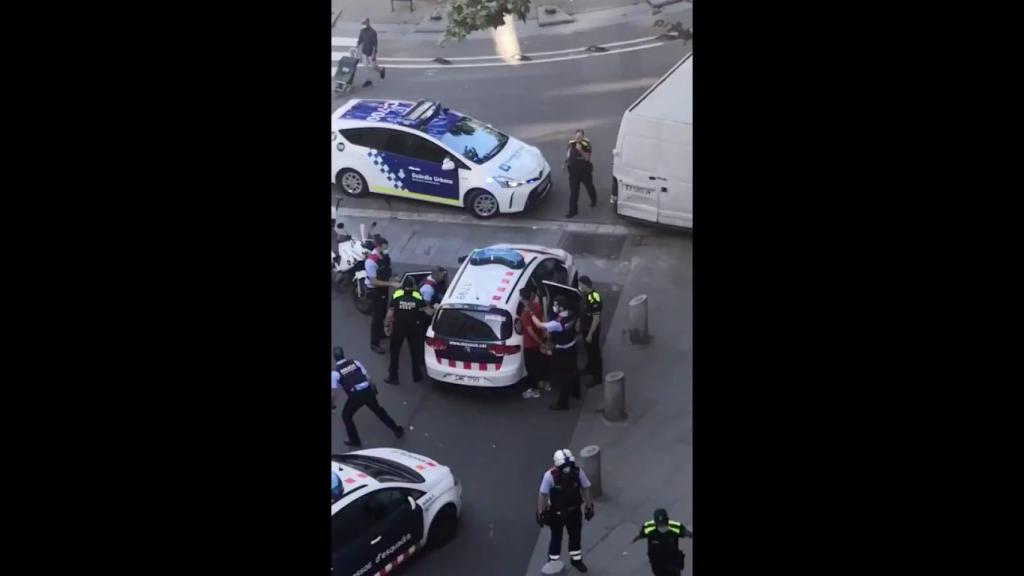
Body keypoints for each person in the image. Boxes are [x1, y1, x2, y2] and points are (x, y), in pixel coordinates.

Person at [332, 347, 404, 448]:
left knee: (346, 416)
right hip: (367, 390)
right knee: (378, 410)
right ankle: (396, 429)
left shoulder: (335, 373)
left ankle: (354, 440)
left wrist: (333, 405)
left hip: (355, 396)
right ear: (343, 354)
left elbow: (333, 393)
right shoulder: (355, 362)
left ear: (334, 358)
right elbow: (368, 377)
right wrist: (373, 389)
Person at [537, 449, 593, 573]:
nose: (567, 469)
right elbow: (543, 494)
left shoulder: (578, 472)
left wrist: (589, 506)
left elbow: (586, 488)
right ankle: (553, 562)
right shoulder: (550, 476)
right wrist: (540, 512)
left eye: (569, 466)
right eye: (564, 467)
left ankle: (576, 560)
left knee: (575, 536)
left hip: (574, 511)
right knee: (556, 537)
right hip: (556, 513)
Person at [527, 295, 580, 411]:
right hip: (573, 346)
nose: (553, 307)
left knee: (563, 377)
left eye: (556, 305)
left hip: (563, 350)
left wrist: (531, 313)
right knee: (574, 370)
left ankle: (562, 404)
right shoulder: (571, 314)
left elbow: (539, 325)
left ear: (561, 308)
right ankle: (576, 392)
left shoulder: (557, 323)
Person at [384, 276, 433, 385]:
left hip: (398, 328)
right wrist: (435, 308)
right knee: (415, 352)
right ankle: (417, 376)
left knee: (394, 353)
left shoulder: (397, 293)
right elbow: (428, 312)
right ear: (413, 286)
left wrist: (387, 326)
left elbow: (390, 312)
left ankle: (393, 377)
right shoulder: (417, 295)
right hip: (414, 328)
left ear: (403, 285)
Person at [364, 236, 401, 354]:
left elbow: (388, 268)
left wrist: (394, 276)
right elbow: (373, 281)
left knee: (383, 312)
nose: (386, 250)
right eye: (385, 248)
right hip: (375, 291)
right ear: (378, 246)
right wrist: (391, 284)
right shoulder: (371, 261)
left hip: (383, 288)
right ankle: (374, 343)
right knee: (377, 317)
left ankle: (381, 333)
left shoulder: (384, 256)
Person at [631, 508, 693, 575]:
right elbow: (640, 535)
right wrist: (634, 539)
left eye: (664, 524)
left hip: (672, 563)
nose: (662, 527)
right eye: (659, 524)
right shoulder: (648, 528)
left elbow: (688, 533)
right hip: (657, 564)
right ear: (655, 523)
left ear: (667, 520)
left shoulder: (675, 527)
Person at [519, 286, 550, 399]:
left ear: (523, 298)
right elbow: (541, 321)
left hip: (530, 345)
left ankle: (534, 390)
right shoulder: (537, 306)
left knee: (531, 368)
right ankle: (545, 383)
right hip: (539, 341)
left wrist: (539, 342)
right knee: (542, 363)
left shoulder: (525, 314)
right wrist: (542, 339)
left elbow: (530, 332)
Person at [564, 129, 596, 219]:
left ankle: (593, 200)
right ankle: (572, 211)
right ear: (574, 136)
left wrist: (580, 150)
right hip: (574, 173)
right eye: (576, 136)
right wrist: (565, 163)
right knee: (574, 193)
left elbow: (587, 158)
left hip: (584, 172)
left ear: (583, 137)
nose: (578, 138)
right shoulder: (571, 144)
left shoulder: (586, 145)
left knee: (589, 187)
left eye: (580, 137)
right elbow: (568, 156)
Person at [577, 276, 603, 385]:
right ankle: (589, 368)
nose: (579, 286)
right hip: (585, 327)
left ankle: (597, 377)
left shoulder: (595, 297)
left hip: (592, 330)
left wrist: (590, 334)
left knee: (595, 352)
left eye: (580, 284)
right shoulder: (584, 295)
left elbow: (596, 318)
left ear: (584, 284)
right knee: (588, 350)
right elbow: (582, 311)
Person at [418, 266, 447, 339]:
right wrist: (434, 308)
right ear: (436, 275)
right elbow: (426, 309)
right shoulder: (429, 289)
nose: (444, 278)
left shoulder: (428, 278)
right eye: (442, 276)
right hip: (422, 317)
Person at [356, 18, 386, 88]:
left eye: (364, 24)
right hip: (364, 52)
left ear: (368, 23)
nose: (362, 25)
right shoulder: (362, 31)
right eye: (362, 24)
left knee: (374, 67)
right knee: (366, 67)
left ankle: (381, 69)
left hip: (371, 53)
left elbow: (375, 45)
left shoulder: (373, 32)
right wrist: (357, 45)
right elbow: (360, 39)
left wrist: (374, 55)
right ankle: (368, 81)